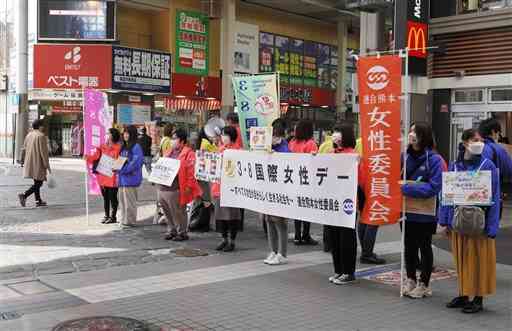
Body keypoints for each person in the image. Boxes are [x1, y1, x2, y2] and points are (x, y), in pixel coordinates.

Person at [439, 129, 500, 314]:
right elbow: (446, 194)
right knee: (461, 259)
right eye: (475, 140)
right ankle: (464, 294)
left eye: (481, 140)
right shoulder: (455, 165)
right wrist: (445, 220)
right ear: (465, 143)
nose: (479, 143)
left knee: (480, 260)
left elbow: (495, 196)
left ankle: (478, 297)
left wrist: (491, 226)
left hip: (479, 223)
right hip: (459, 221)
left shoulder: (487, 165)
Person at [401, 122, 444, 299]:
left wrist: (407, 189)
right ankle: (410, 278)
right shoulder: (404, 156)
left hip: (426, 214)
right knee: (408, 247)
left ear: (423, 136)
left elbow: (434, 187)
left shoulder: (434, 159)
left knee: (424, 247)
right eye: (410, 131)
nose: (411, 135)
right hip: (407, 211)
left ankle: (424, 284)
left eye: (415, 132)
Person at [325, 124, 359, 284]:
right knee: (335, 237)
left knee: (346, 238)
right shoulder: (331, 153)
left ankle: (349, 272)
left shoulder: (353, 155)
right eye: (334, 132)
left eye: (338, 132)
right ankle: (338, 270)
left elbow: (361, 179)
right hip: (333, 201)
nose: (335, 135)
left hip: (348, 203)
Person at [158, 128, 202, 241]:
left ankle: (181, 232)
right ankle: (171, 229)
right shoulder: (168, 151)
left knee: (178, 211)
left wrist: (188, 186)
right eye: (172, 138)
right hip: (164, 186)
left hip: (177, 187)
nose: (172, 141)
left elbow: (191, 172)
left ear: (182, 141)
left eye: (175, 138)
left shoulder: (189, 153)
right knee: (166, 210)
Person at [263, 119, 290, 265]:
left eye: (275, 136)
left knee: (280, 222)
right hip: (268, 191)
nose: (273, 139)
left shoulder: (285, 149)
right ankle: (272, 250)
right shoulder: (266, 147)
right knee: (269, 220)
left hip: (280, 192)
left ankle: (282, 253)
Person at [288, 119, 318, 245]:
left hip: (293, 179)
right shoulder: (310, 143)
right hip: (306, 180)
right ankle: (305, 235)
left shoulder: (292, 142)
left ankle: (297, 235)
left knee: (297, 209)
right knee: (306, 208)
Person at [212, 126, 242, 252]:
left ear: (232, 136)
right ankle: (223, 239)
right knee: (220, 216)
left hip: (232, 189)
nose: (223, 137)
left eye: (226, 135)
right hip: (219, 188)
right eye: (222, 135)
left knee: (231, 216)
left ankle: (232, 240)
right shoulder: (220, 149)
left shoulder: (238, 151)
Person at [86, 128, 122, 224]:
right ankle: (106, 215)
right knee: (105, 197)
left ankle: (113, 216)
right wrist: (87, 157)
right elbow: (95, 157)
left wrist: (116, 166)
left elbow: (120, 161)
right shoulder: (102, 147)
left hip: (113, 176)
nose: (107, 135)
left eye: (109, 133)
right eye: (107, 133)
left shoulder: (119, 147)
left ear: (113, 135)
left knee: (113, 197)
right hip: (103, 176)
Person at [479, 118, 512, 218]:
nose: (498, 136)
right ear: (493, 131)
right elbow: (509, 171)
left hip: (471, 195)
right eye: (499, 133)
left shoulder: (473, 147)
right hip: (492, 196)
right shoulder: (498, 149)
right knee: (489, 228)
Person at [18, 120, 51, 207]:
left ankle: (38, 201)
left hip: (29, 162)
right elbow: (44, 153)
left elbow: (23, 149)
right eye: (42, 125)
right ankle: (24, 195)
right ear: (40, 126)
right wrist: (47, 165)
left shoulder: (29, 135)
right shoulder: (41, 136)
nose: (43, 127)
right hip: (38, 163)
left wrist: (22, 160)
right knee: (39, 183)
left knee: (36, 181)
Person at [117, 125, 144, 227]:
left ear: (132, 134)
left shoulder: (136, 146)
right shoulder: (124, 146)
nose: (125, 135)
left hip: (131, 178)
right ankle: (124, 219)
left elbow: (135, 163)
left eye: (127, 133)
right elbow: (120, 160)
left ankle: (130, 221)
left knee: (130, 202)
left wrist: (123, 170)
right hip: (122, 179)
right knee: (123, 201)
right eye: (124, 133)